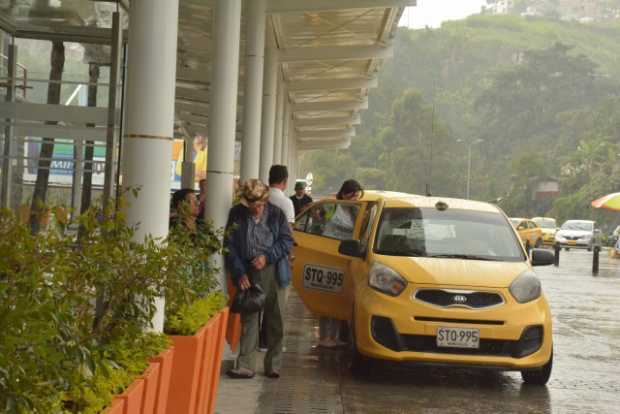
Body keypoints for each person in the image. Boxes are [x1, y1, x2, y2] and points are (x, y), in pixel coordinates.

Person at [225, 179, 294, 379]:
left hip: (273, 271)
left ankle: (273, 364)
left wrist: (267, 256)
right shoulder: (236, 213)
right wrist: (239, 272)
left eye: (260, 205)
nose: (257, 209)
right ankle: (246, 364)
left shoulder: (276, 214)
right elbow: (230, 245)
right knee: (249, 318)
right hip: (248, 270)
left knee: (275, 319)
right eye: (253, 205)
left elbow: (286, 240)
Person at [319, 179, 364, 348]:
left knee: (338, 299)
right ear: (345, 194)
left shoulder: (355, 211)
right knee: (326, 299)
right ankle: (324, 337)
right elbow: (324, 222)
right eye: (354, 196)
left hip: (345, 260)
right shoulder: (334, 207)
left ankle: (335, 336)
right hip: (329, 257)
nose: (356, 200)